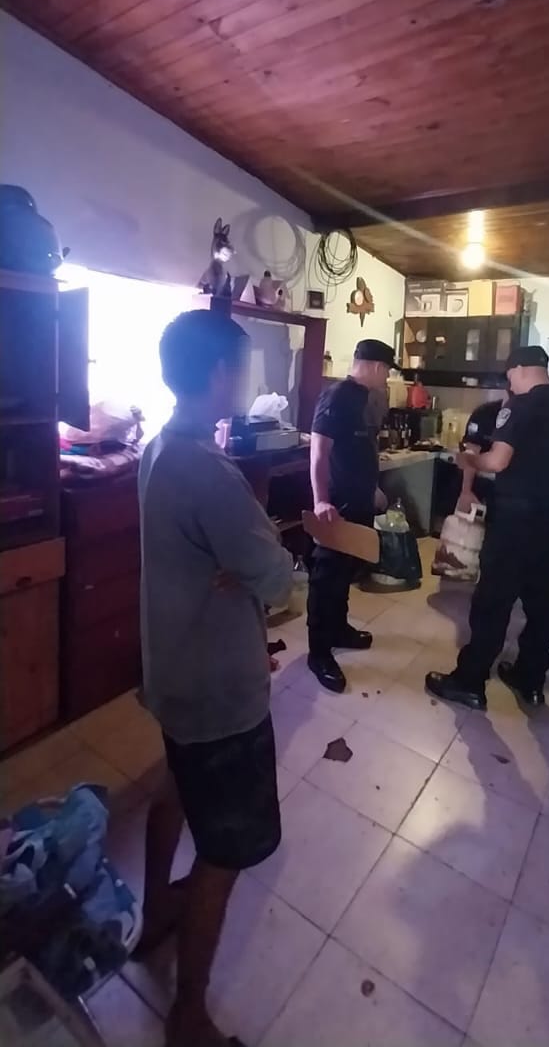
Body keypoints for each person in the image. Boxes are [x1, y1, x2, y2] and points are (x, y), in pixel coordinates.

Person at [137, 308, 293, 1047]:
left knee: (176, 784)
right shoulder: (209, 472)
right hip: (219, 689)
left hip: (173, 671)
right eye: (244, 367)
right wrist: (259, 555)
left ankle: (154, 912)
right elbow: (278, 577)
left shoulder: (159, 446)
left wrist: (240, 559)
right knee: (225, 853)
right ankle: (189, 1015)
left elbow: (229, 559)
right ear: (222, 373)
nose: (246, 380)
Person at [427, 346, 549, 710]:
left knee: (493, 601)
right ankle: (531, 679)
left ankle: (469, 682)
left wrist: (469, 459)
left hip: (516, 518)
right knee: (541, 603)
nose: (510, 383)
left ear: (519, 369)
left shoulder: (520, 405)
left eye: (510, 375)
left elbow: (497, 461)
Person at [306, 338, 397, 692]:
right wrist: (320, 501)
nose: (387, 377)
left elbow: (361, 450)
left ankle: (339, 629)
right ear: (374, 366)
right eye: (386, 370)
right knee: (326, 577)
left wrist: (372, 488)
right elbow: (318, 453)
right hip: (336, 504)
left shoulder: (364, 398)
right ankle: (318, 652)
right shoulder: (337, 397)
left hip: (359, 501)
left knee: (345, 570)